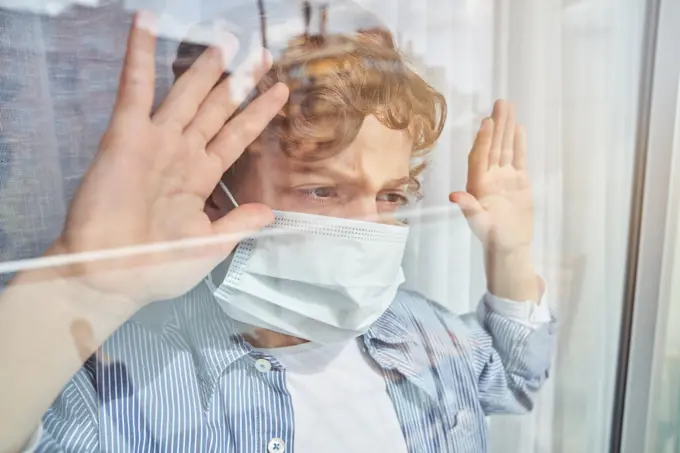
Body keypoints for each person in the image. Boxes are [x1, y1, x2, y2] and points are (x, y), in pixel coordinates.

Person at [0, 3, 555, 453]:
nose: (368, 229)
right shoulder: (122, 386)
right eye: (322, 190)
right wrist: (81, 285)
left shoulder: (410, 325)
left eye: (390, 196)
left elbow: (513, 375)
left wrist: (511, 253)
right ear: (218, 191)